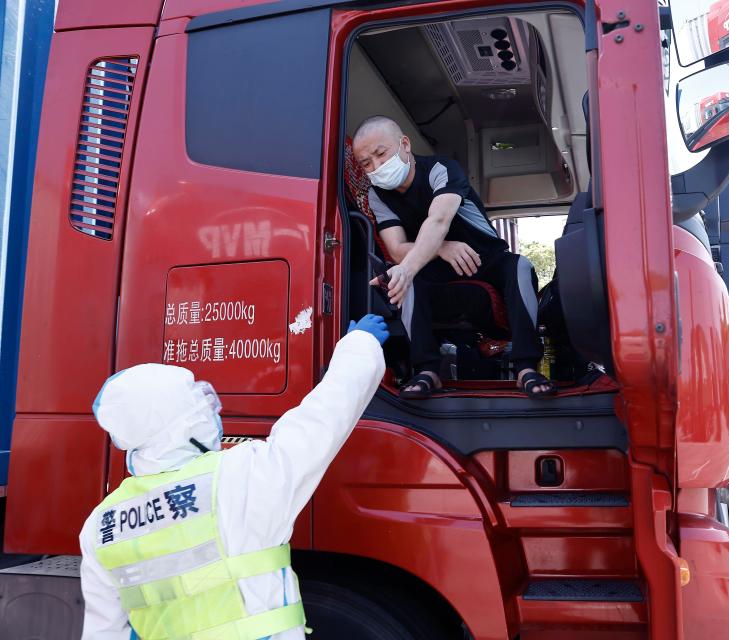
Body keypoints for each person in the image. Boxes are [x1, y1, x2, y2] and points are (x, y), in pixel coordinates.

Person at [78, 315, 389, 640]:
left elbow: (103, 631)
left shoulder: (101, 526)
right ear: (182, 424)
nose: (214, 413)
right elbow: (323, 418)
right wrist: (359, 346)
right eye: (200, 406)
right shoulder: (240, 477)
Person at [352, 115, 556, 398]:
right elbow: (397, 249)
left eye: (381, 154)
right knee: (407, 280)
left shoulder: (441, 168)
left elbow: (438, 219)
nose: (376, 167)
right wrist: (440, 249)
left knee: (519, 266)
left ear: (405, 144)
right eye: (366, 164)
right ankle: (426, 371)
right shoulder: (377, 196)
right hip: (437, 268)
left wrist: (410, 264)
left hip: (485, 258)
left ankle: (526, 368)